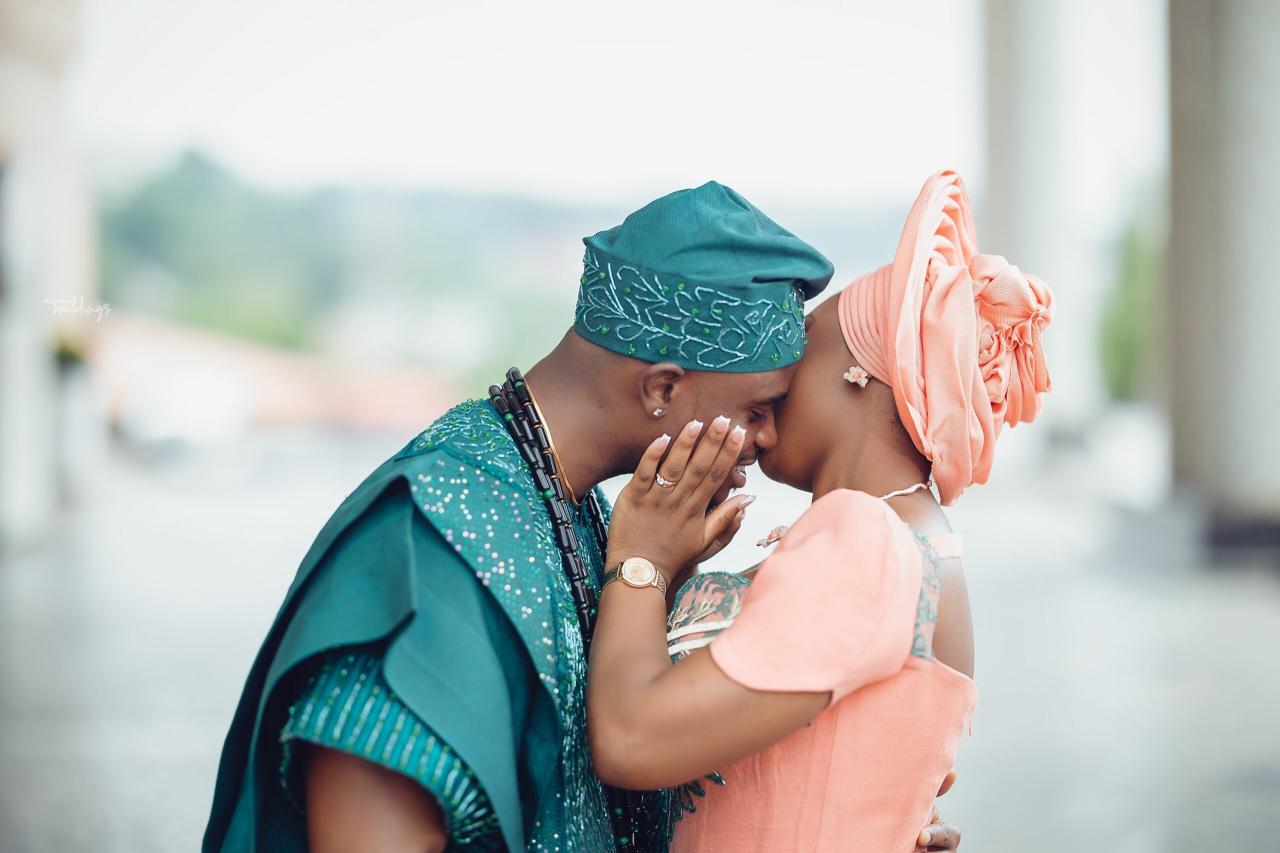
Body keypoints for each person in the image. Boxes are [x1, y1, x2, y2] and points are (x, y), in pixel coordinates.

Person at [205, 180, 963, 852]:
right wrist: (644, 567)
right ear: (662, 388)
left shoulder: (584, 512)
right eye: (759, 409)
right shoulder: (434, 533)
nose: (766, 440)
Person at [588, 170, 1053, 851]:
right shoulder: (917, 537)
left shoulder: (866, 538)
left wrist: (641, 559)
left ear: (857, 371)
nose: (775, 366)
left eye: (803, 339)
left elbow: (633, 740)